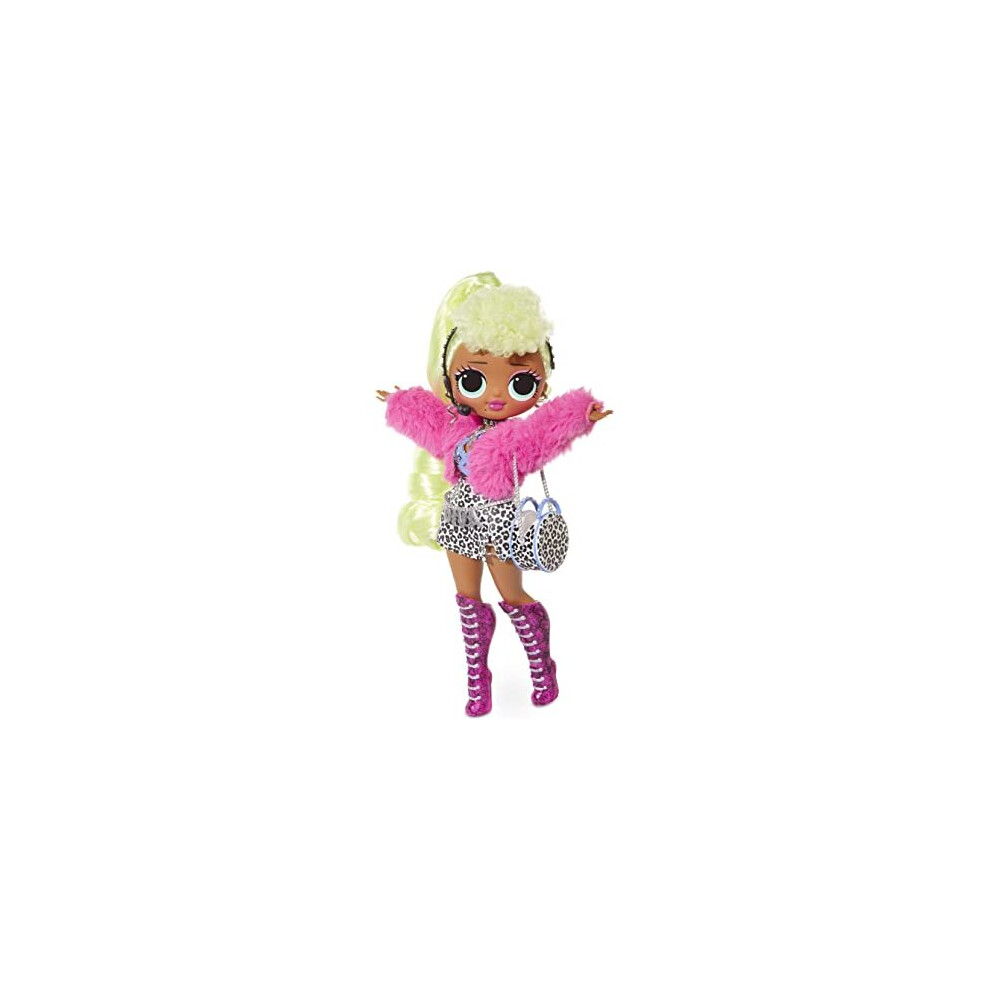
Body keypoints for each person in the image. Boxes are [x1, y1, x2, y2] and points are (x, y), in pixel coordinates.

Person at [377, 272, 612, 716]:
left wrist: (582, 413)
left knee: (512, 594)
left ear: (540, 385)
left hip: (502, 523)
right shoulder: (455, 429)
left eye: (520, 382)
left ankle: (541, 664)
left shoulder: (519, 437)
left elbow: (549, 429)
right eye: (474, 378)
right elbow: (426, 422)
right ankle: (477, 679)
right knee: (468, 602)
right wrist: (399, 402)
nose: (499, 395)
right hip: (458, 519)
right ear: (452, 377)